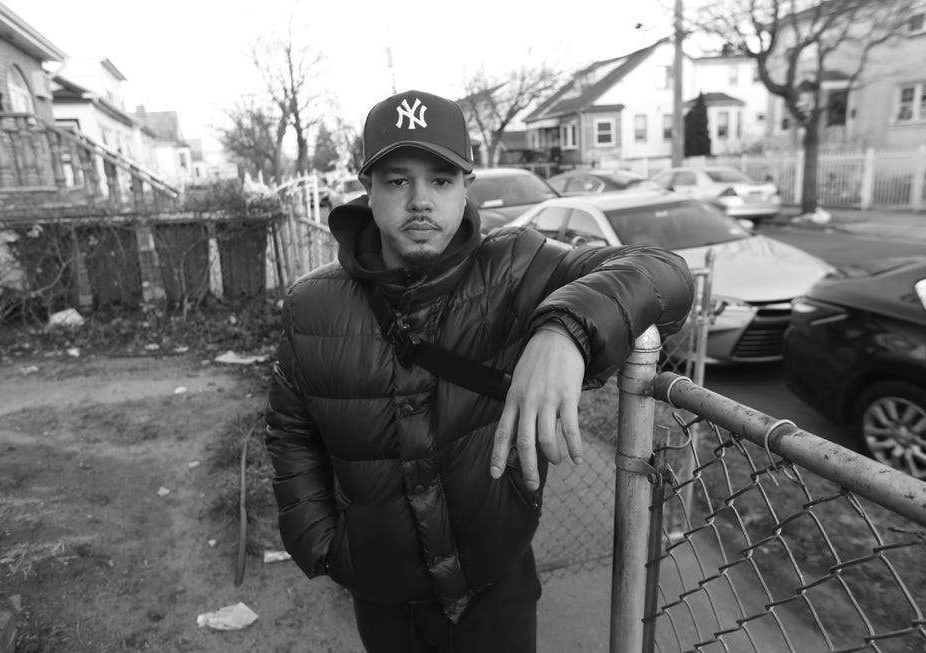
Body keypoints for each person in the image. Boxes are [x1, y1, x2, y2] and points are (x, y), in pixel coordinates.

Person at [264, 89, 693, 652]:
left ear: (466, 186)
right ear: (367, 190)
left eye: (440, 180)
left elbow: (666, 273)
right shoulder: (311, 306)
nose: (420, 201)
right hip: (382, 596)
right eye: (397, 180)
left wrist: (565, 329)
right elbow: (291, 432)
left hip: (497, 591)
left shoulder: (515, 267)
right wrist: (319, 542)